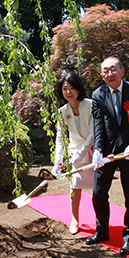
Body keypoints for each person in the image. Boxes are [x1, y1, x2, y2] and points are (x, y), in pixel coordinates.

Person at [88, 57, 129, 256]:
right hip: (108, 152)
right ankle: (102, 230)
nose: (109, 74)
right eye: (105, 71)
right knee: (98, 193)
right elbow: (99, 125)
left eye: (113, 69)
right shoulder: (98, 94)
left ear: (122, 70)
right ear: (101, 75)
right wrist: (98, 150)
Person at [52, 73, 94, 234]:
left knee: (99, 189)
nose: (68, 92)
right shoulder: (62, 111)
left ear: (78, 89)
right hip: (75, 152)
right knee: (75, 187)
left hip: (94, 151)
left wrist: (82, 153)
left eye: (71, 88)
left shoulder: (90, 105)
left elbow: (92, 132)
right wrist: (58, 161)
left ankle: (101, 221)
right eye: (65, 89)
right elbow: (60, 138)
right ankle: (75, 219)